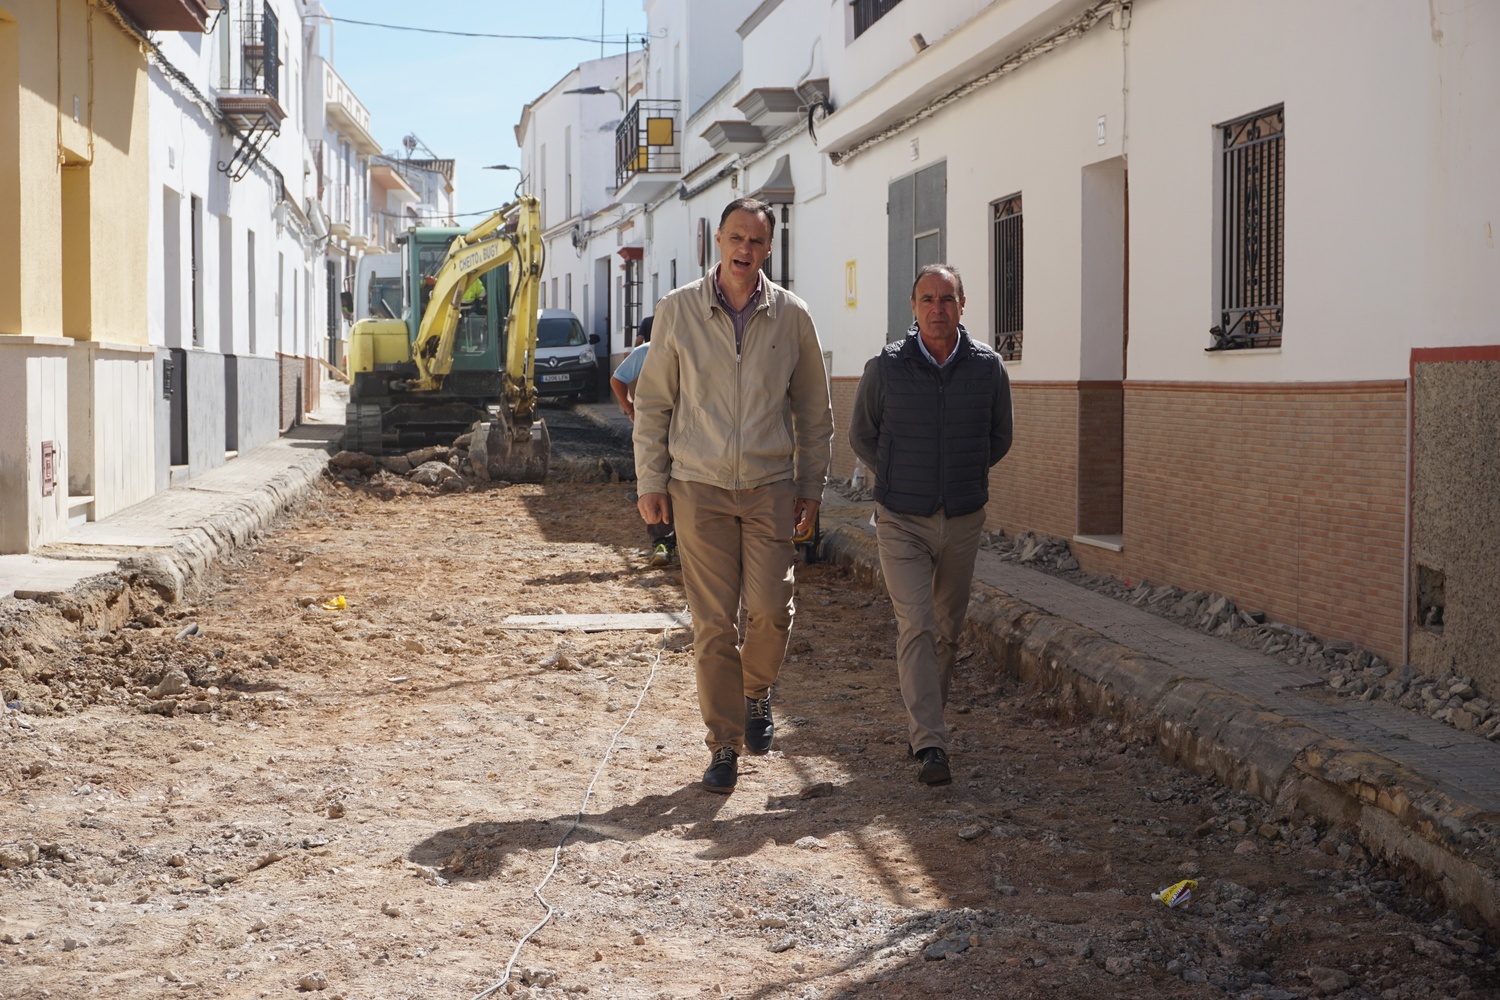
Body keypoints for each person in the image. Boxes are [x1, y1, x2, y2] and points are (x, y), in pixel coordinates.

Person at [633, 197, 834, 794]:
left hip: (770, 486)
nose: (745, 249)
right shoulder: (678, 311)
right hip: (698, 486)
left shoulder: (792, 316)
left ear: (769, 248)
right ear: (717, 242)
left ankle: (756, 691)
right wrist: (651, 481)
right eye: (736, 238)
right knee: (713, 623)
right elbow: (653, 404)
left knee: (772, 609)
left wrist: (811, 486)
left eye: (757, 241)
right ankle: (723, 745)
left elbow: (814, 411)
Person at [848, 263, 1013, 786]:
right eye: (927, 299)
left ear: (962, 306)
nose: (937, 309)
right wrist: (900, 474)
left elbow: (999, 436)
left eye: (947, 299)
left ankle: (925, 723)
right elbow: (861, 434)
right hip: (901, 518)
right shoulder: (886, 367)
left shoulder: (988, 367)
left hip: (962, 518)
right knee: (916, 623)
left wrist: (961, 475)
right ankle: (930, 743)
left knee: (947, 629)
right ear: (913, 307)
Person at [610, 316, 675, 565]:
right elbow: (617, 379)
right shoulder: (646, 352)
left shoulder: (692, 351)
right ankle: (662, 543)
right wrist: (630, 409)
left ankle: (681, 543)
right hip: (653, 428)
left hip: (686, 428)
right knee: (655, 483)